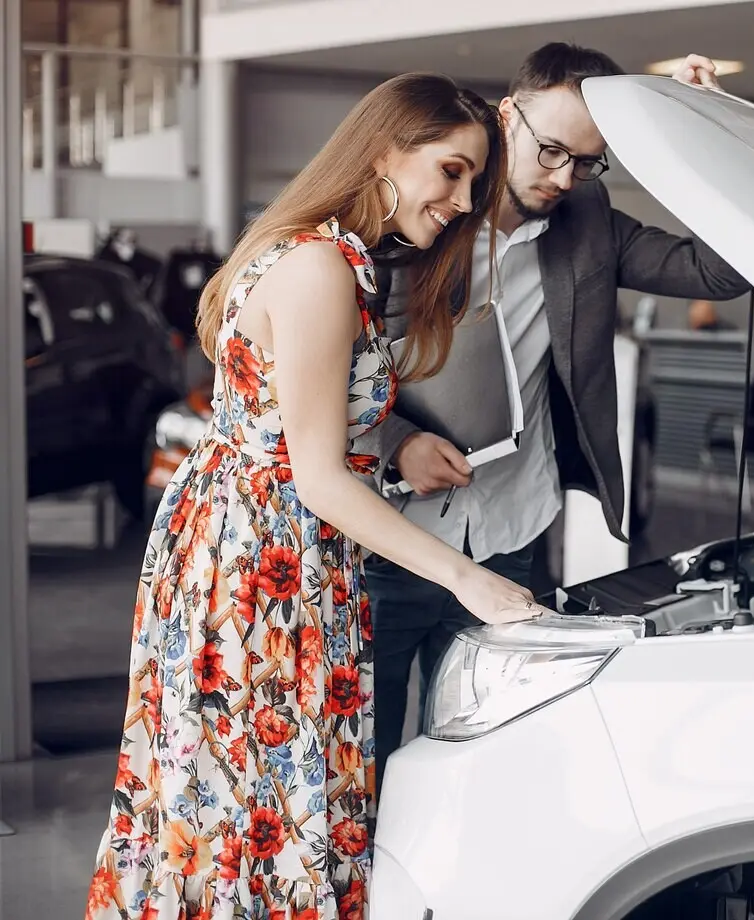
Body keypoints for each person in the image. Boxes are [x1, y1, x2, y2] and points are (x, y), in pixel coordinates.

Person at [84, 73, 538, 920]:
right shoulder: (323, 266)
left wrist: (397, 440)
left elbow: (298, 427)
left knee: (221, 798)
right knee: (264, 802)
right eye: (450, 170)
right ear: (384, 153)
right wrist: (468, 578)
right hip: (265, 564)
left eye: (476, 180)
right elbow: (318, 475)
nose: (462, 198)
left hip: (245, 544)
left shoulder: (307, 247)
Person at [355, 44, 751, 782]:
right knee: (365, 768)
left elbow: (718, 272)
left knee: (483, 763)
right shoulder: (415, 214)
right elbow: (314, 368)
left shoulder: (586, 218)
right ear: (509, 112)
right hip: (389, 541)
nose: (565, 177)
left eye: (589, 162)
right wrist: (398, 440)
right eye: (552, 151)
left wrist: (702, 126)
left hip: (512, 537)